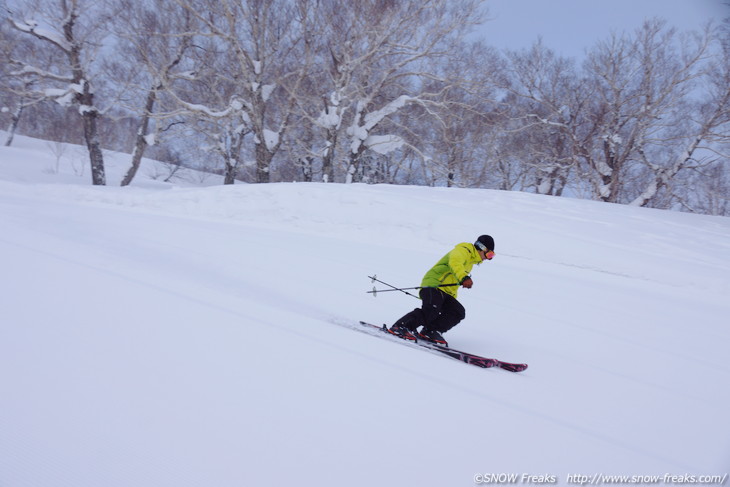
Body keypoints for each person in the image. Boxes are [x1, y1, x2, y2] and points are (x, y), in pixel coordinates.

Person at [388, 235, 495, 346]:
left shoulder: (470, 262)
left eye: (492, 256)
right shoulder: (463, 250)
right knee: (431, 310)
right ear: (481, 247)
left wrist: (452, 299)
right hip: (434, 284)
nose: (488, 258)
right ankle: (401, 327)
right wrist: (464, 277)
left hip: (446, 291)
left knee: (457, 311)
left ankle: (430, 331)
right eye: (489, 254)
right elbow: (455, 263)